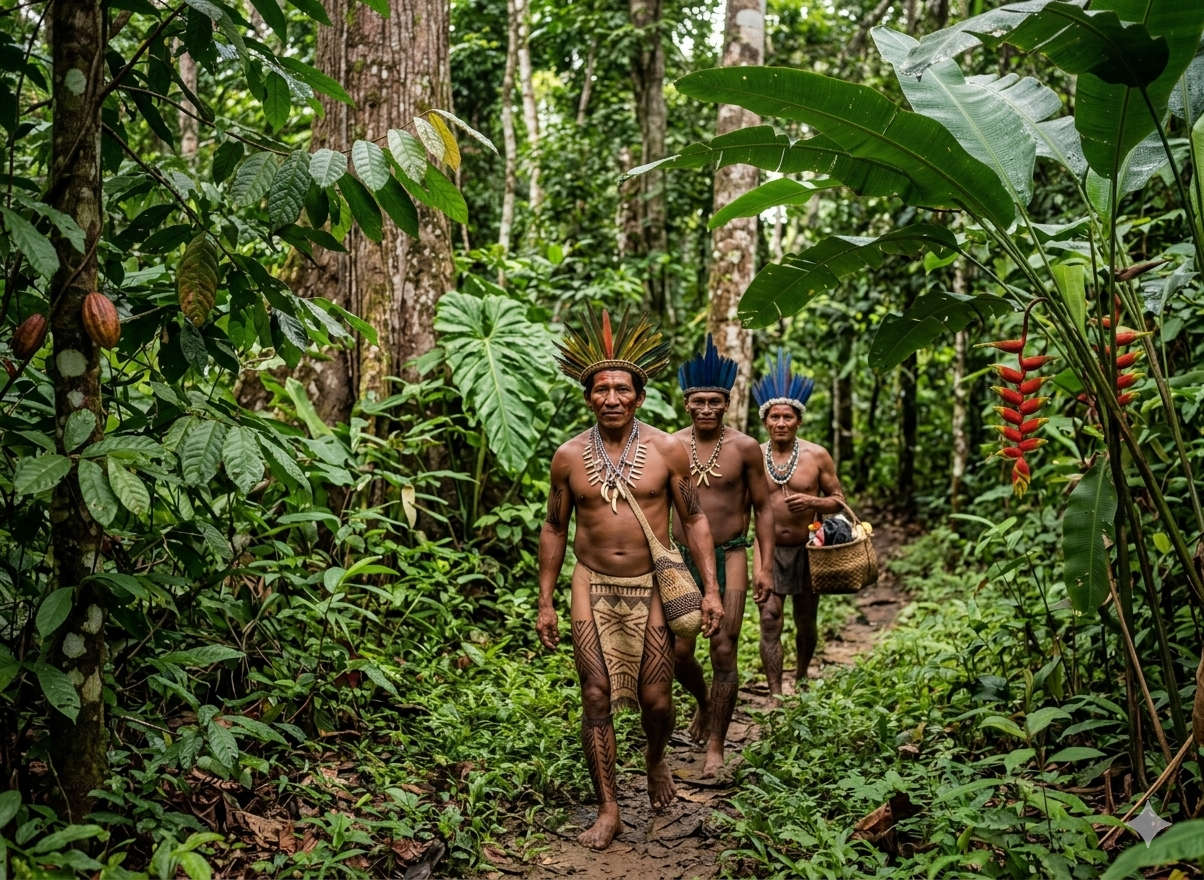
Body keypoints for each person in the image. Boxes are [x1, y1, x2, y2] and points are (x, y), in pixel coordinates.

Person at [537, 307, 724, 851]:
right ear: (588, 396)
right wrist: (546, 602)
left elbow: (693, 519)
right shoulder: (568, 456)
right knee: (594, 694)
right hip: (589, 582)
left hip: (652, 586)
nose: (612, 398)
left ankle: (656, 756)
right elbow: (554, 526)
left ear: (639, 397)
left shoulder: (668, 450)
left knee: (657, 701)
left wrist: (710, 589)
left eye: (622, 388)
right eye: (601, 390)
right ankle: (609, 806)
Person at [670, 334, 775, 777]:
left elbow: (765, 506)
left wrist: (764, 565)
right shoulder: (671, 446)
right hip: (680, 559)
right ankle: (704, 700)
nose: (708, 409)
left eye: (716, 402)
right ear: (687, 405)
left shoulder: (746, 448)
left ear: (727, 403)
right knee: (676, 651)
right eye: (700, 402)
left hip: (730, 554)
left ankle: (716, 745)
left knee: (724, 649)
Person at [751, 350, 846, 695]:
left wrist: (813, 501)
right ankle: (776, 693)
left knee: (806, 621)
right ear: (765, 421)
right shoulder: (753, 456)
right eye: (774, 417)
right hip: (768, 551)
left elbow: (839, 502)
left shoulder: (816, 456)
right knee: (769, 619)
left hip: (809, 551)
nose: (780, 423)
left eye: (787, 417)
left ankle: (802, 677)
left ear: (798, 421)